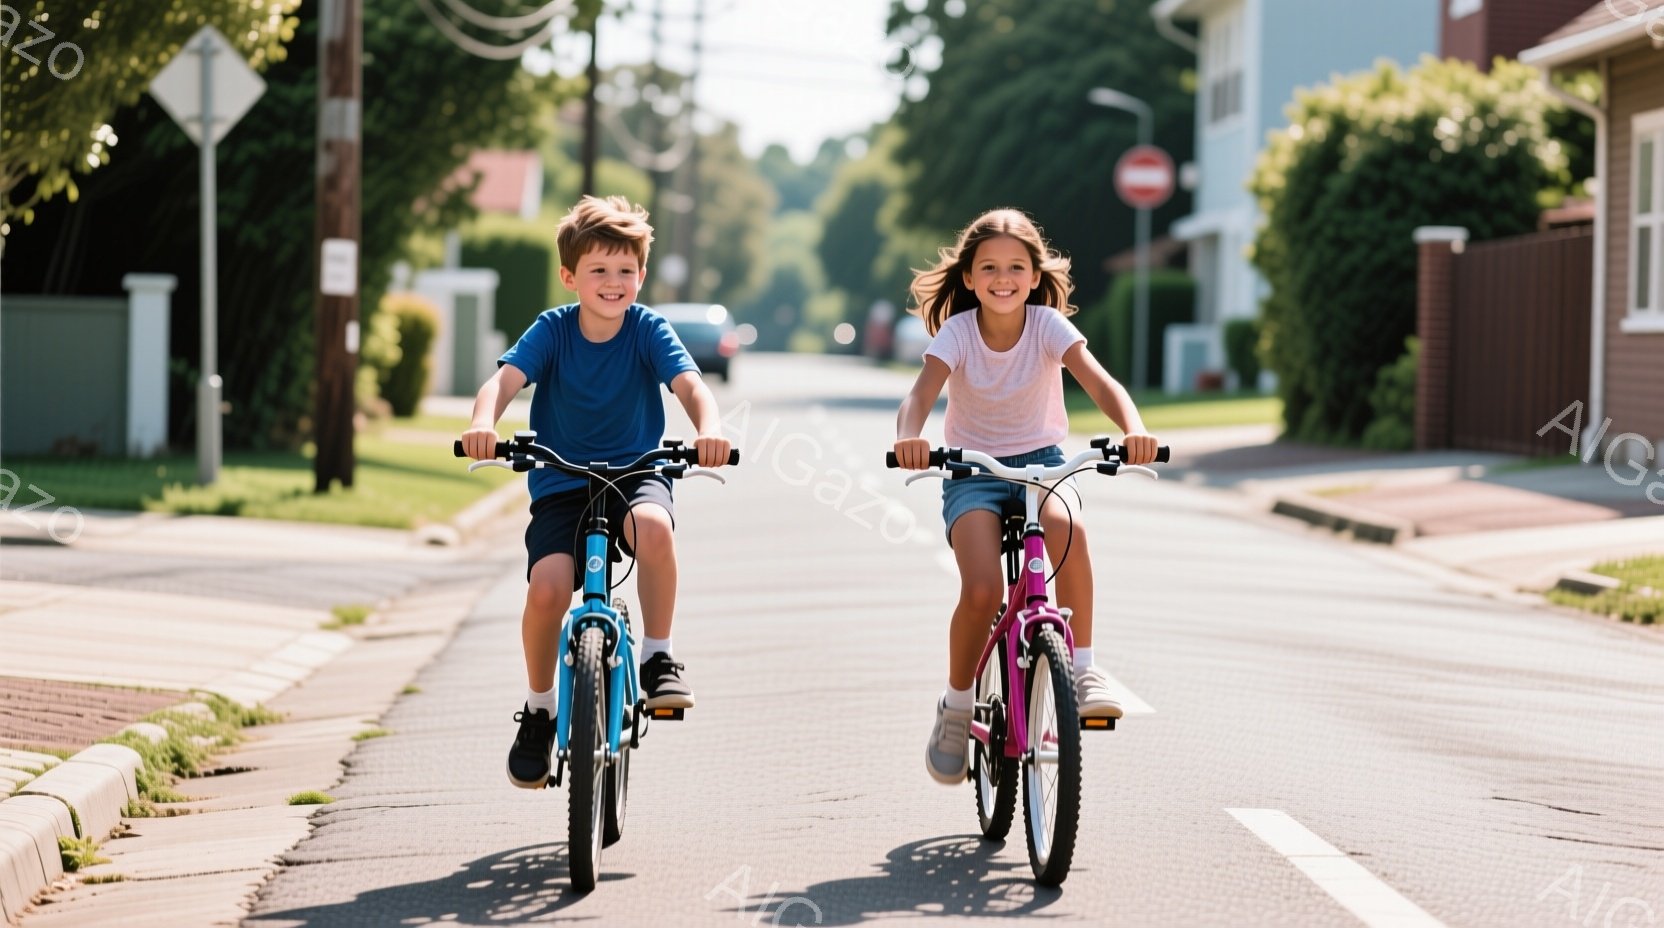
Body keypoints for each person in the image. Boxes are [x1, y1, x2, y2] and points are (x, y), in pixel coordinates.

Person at [459, 195, 732, 790]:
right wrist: (485, 422)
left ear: (641, 274)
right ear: (569, 276)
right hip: (562, 479)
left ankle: (658, 655)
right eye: (598, 271)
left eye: (625, 271)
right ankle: (539, 709)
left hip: (636, 472)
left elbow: (690, 386)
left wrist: (708, 429)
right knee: (549, 588)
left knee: (654, 530)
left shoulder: (648, 329)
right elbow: (502, 382)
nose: (613, 283)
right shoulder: (553, 329)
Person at [890, 208, 1159, 785]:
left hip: (1043, 465)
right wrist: (909, 438)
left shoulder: (1048, 327)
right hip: (973, 471)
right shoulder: (958, 333)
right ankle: (958, 706)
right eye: (989, 267)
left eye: (1016, 266)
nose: (1003, 277)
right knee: (984, 587)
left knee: (1072, 531)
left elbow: (1101, 383)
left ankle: (1082, 669)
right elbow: (918, 398)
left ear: (1035, 276)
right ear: (968, 277)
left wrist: (1133, 426)